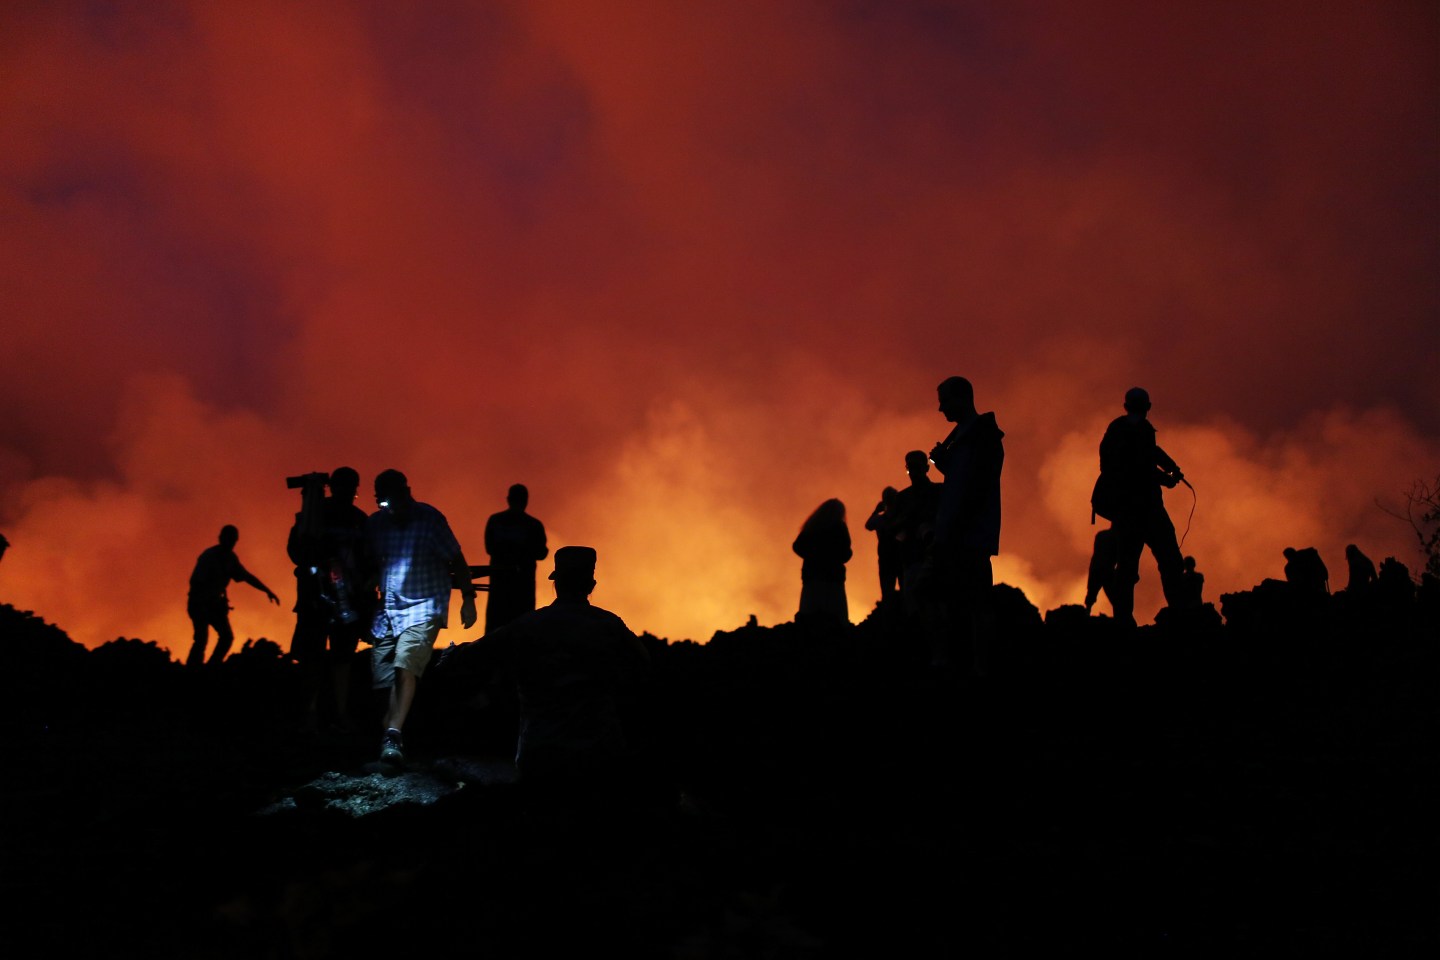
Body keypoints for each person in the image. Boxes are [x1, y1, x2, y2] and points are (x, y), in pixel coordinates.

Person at [463, 546, 650, 786]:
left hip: (541, 754)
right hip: (598, 754)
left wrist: (452, 655)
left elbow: (478, 654)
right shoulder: (609, 624)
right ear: (591, 585)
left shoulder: (529, 624)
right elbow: (643, 664)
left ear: (557, 583)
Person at [366, 469, 478, 769]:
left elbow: (456, 558)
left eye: (392, 501)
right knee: (383, 678)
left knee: (406, 664)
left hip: (423, 606)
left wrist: (468, 597)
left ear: (406, 492)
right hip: (388, 611)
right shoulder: (376, 524)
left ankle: (393, 737)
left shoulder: (429, 519)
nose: (389, 509)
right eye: (383, 503)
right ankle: (388, 742)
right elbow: (367, 562)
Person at [927, 376, 1005, 675]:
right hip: (961, 535)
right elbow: (964, 481)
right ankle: (970, 665)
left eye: (944, 401)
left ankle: (979, 667)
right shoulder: (968, 436)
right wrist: (946, 465)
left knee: (974, 605)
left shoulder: (981, 437)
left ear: (961, 398)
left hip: (966, 537)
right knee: (963, 603)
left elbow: (975, 489)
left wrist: (954, 530)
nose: (940, 409)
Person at [1091, 387, 1185, 627]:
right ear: (1148, 407)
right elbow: (1141, 467)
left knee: (1127, 566)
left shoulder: (1119, 430)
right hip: (1145, 511)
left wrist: (1170, 466)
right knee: (1169, 559)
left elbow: (1149, 455)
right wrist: (1167, 477)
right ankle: (1179, 613)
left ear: (1126, 406)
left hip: (1125, 512)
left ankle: (1124, 620)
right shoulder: (1138, 430)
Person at [286, 467, 368, 730]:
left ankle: (325, 713)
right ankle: (316, 712)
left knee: (336, 657)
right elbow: (298, 551)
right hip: (318, 598)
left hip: (341, 599)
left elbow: (368, 558)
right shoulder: (317, 515)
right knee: (320, 657)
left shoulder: (354, 519)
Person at [185, 525, 280, 669]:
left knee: (226, 637)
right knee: (201, 639)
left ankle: (211, 667)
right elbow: (196, 582)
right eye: (228, 539)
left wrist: (267, 590)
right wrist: (202, 604)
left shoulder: (231, 559)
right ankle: (192, 670)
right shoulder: (209, 556)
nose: (230, 543)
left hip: (214, 604)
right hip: (199, 603)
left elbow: (247, 577)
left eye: (232, 540)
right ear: (221, 539)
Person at [483, 483, 549, 632]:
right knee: (522, 630)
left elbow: (489, 548)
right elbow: (541, 553)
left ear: (508, 499)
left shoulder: (495, 521)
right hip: (523, 588)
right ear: (526, 500)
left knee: (496, 628)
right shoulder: (534, 525)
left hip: (500, 587)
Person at [792, 499, 852, 625]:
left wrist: (812, 557)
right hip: (833, 578)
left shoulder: (812, 526)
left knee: (809, 615)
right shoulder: (839, 527)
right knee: (836, 617)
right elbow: (845, 552)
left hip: (812, 576)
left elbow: (797, 546)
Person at [864, 486, 902, 602]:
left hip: (889, 558)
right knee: (901, 590)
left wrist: (876, 511)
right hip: (898, 557)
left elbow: (868, 525)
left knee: (888, 593)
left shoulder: (880, 520)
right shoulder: (900, 517)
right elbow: (868, 525)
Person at [1084, 527, 1119, 615]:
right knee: (1117, 600)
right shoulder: (1118, 538)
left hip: (1096, 568)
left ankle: (1087, 612)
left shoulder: (1101, 535)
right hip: (1106, 570)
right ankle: (1120, 620)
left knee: (1091, 596)